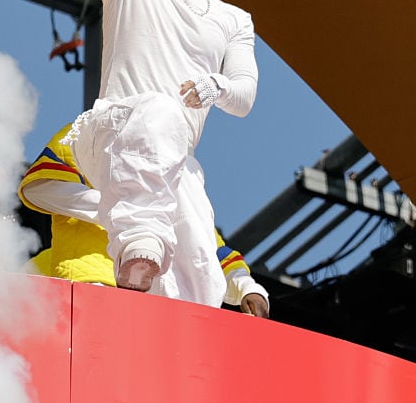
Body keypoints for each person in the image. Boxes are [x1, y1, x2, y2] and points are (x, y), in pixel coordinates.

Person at [49, 0, 259, 307]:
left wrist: (216, 88)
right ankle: (137, 246)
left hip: (173, 157)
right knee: (161, 112)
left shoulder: (233, 19)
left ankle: (151, 311)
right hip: (114, 131)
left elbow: (245, 96)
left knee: (201, 275)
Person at [20, 124, 270, 317]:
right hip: (89, 282)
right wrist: (123, 212)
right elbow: (42, 187)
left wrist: (247, 287)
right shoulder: (88, 129)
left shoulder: (179, 163)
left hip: (155, 310)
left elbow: (205, 243)